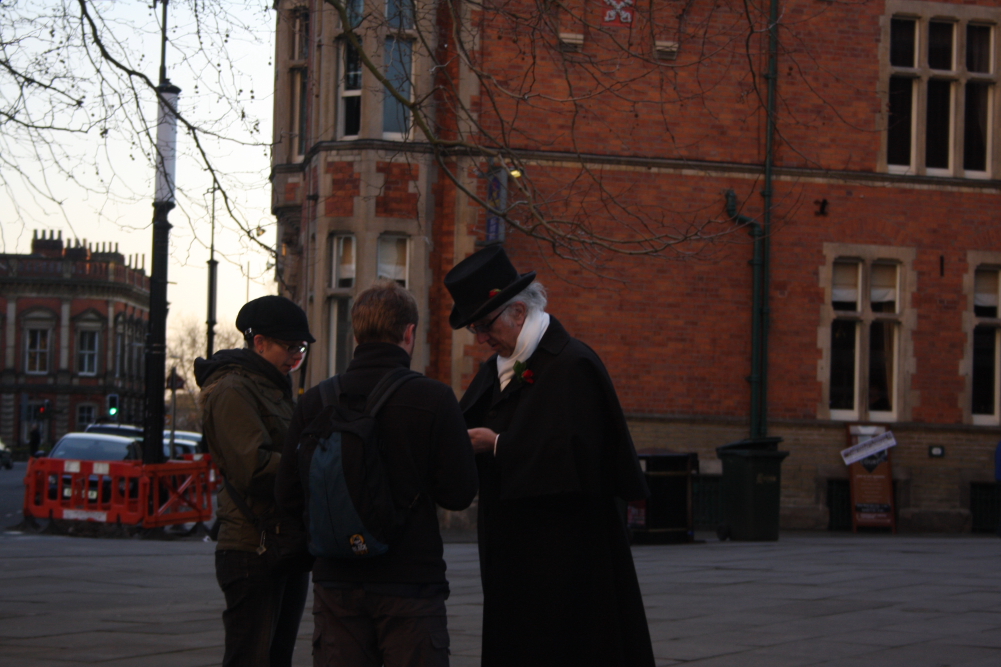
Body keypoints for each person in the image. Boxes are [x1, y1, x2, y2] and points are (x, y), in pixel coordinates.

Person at [444, 245, 655, 667]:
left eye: (485, 326)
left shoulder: (572, 364)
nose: (482, 339)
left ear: (518, 312)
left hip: (567, 555)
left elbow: (580, 459)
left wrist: (498, 444)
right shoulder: (499, 368)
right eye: (475, 330)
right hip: (514, 555)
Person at [276, 280, 478, 667]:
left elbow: (287, 495)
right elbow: (458, 494)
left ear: (356, 333)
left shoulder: (316, 401)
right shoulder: (434, 399)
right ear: (409, 332)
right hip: (411, 580)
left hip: (337, 580)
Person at [195, 295, 315, 667]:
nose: (295, 357)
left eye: (301, 348)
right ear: (259, 342)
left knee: (276, 656)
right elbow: (254, 467)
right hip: (253, 547)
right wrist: (316, 462)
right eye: (289, 346)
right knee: (251, 656)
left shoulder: (272, 386)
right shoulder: (233, 389)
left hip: (281, 541)